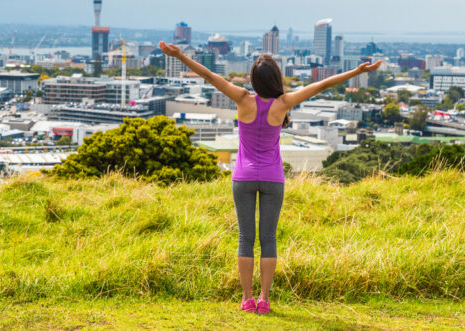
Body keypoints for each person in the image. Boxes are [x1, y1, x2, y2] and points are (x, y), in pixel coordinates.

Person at [159, 41, 381, 314]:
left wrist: (180, 54)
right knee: (268, 238)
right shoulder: (284, 103)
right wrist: (356, 72)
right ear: (276, 79)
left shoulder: (242, 98)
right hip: (273, 178)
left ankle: (246, 298)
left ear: (253, 79)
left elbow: (208, 75)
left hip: (243, 176)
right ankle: (264, 299)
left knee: (245, 237)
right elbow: (321, 86)